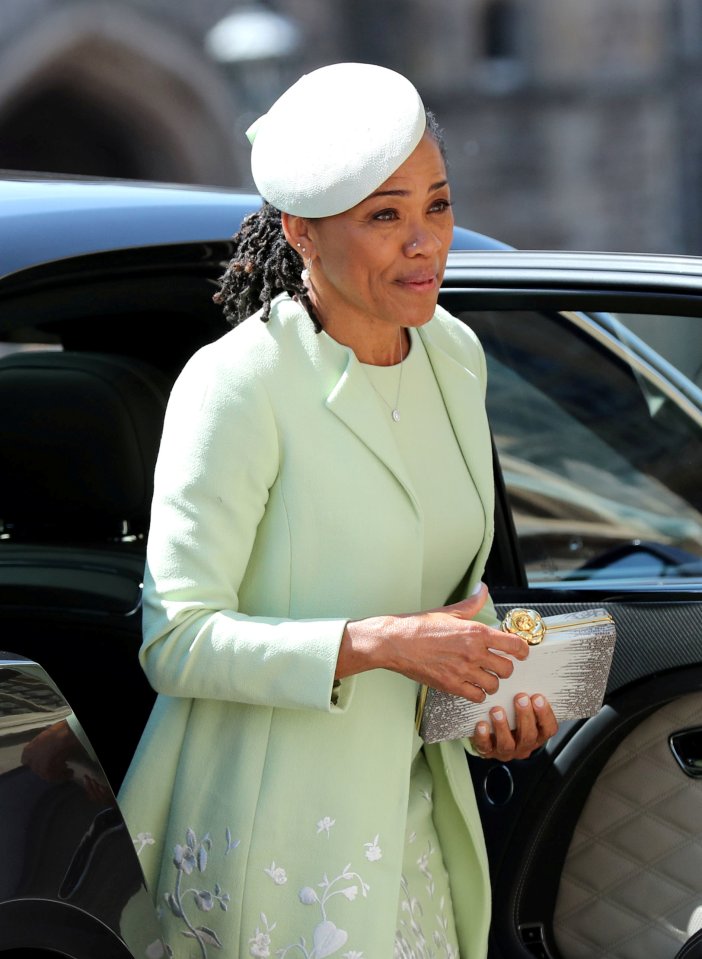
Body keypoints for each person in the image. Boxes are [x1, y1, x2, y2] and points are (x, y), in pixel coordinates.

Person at [118, 61, 558, 959]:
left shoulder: (456, 356)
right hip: (273, 840)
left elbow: (456, 597)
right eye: (385, 215)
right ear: (303, 234)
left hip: (417, 833)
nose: (426, 242)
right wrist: (375, 643)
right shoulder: (239, 383)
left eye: (438, 206)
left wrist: (498, 695)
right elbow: (176, 639)